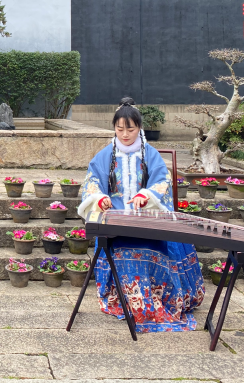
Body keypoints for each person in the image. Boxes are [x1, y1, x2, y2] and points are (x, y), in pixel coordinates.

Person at [76, 97, 205, 333]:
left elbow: (162, 182)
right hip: (115, 221)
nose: (125, 134)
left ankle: (156, 297)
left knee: (158, 247)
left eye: (131, 129)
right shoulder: (105, 155)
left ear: (139, 128)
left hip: (146, 219)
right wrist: (99, 198)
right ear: (114, 128)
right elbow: (92, 182)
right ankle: (125, 299)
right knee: (122, 248)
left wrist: (147, 195)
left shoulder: (151, 154)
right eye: (120, 129)